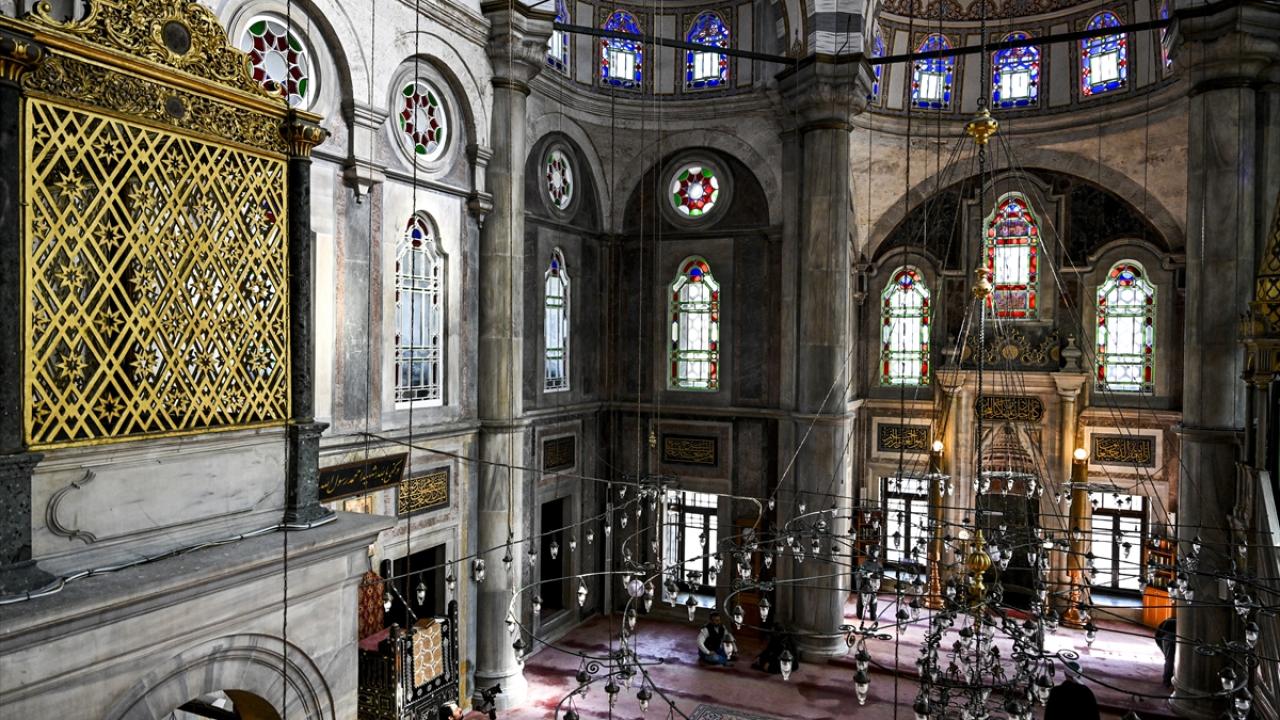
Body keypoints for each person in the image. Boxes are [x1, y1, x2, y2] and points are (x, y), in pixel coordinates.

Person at [1155, 616, 1177, 687]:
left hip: (1167, 637)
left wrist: (1165, 654)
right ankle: (1167, 681)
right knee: (1170, 660)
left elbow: (1158, 638)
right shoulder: (1170, 623)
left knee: (1169, 660)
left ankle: (1167, 681)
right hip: (1169, 637)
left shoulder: (1168, 622)